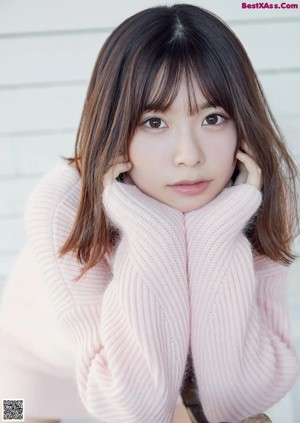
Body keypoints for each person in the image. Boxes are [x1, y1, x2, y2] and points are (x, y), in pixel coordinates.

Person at [0, 4, 299, 423]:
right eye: (154, 122)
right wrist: (148, 230)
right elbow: (132, 407)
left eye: (213, 118)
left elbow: (241, 399)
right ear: (115, 124)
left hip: (165, 374)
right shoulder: (61, 207)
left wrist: (215, 231)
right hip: (38, 376)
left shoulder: (253, 196)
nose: (188, 157)